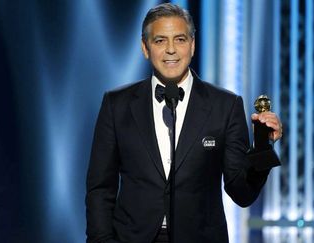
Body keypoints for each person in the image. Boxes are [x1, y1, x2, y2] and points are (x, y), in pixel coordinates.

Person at [85, 3, 282, 243]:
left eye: (179, 39)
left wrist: (262, 147)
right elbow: (100, 189)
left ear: (192, 45)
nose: (170, 50)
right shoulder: (117, 105)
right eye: (159, 41)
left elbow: (241, 192)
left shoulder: (225, 105)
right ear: (145, 48)